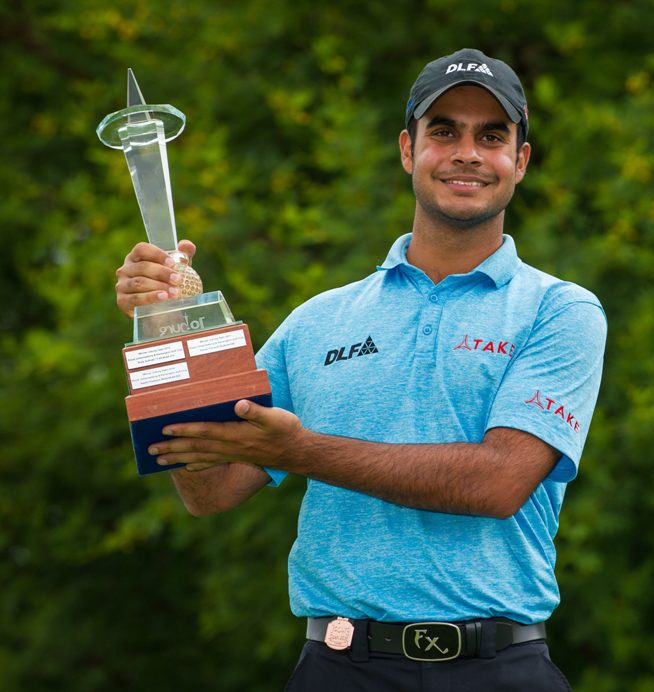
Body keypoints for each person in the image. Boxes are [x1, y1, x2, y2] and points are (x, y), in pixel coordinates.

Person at [114, 48, 606, 691]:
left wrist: (303, 450)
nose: (466, 153)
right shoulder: (318, 321)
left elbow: (501, 482)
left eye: (491, 136)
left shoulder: (559, 309)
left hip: (500, 668)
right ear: (408, 150)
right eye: (443, 131)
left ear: (520, 160)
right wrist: (172, 330)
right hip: (339, 668)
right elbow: (209, 489)